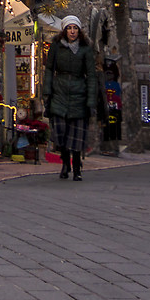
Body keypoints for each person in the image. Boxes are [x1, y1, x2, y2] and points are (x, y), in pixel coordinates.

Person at [45, 17, 96, 180]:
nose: (72, 31)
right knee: (61, 132)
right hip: (59, 92)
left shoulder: (85, 50)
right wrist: (47, 91)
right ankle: (65, 161)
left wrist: (90, 100)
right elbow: (48, 69)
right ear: (64, 30)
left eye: (75, 28)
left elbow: (92, 76)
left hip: (78, 94)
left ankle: (76, 168)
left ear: (79, 30)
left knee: (76, 134)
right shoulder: (56, 47)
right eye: (69, 28)